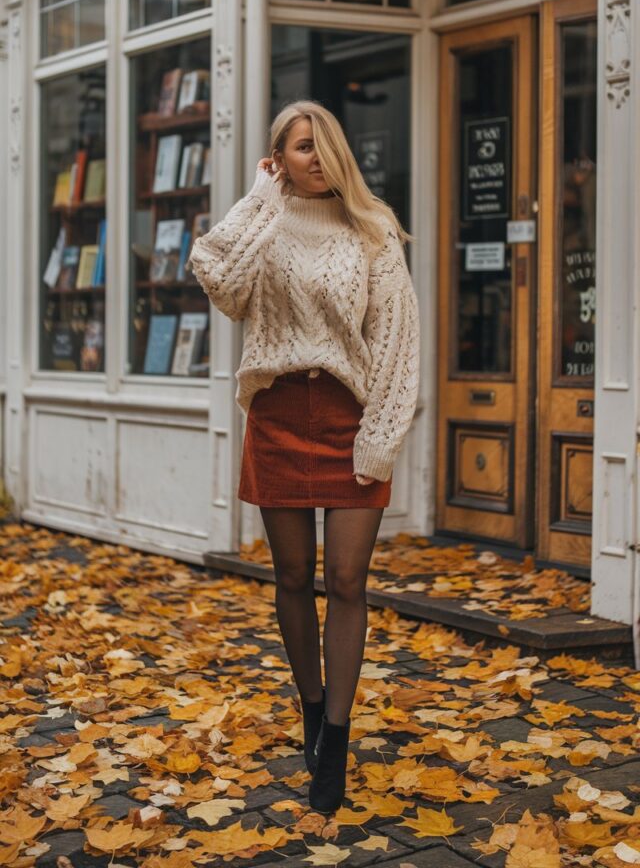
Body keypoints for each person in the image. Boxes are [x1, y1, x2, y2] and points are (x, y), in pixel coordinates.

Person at [188, 99, 420, 814]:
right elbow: (219, 279)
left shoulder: (373, 228)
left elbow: (396, 341)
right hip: (280, 414)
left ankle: (337, 749)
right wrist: (261, 199)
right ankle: (312, 714)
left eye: (323, 145)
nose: (315, 157)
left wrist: (378, 440)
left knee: (347, 580)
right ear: (278, 157)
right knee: (293, 576)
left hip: (350, 416)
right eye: (299, 148)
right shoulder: (264, 219)